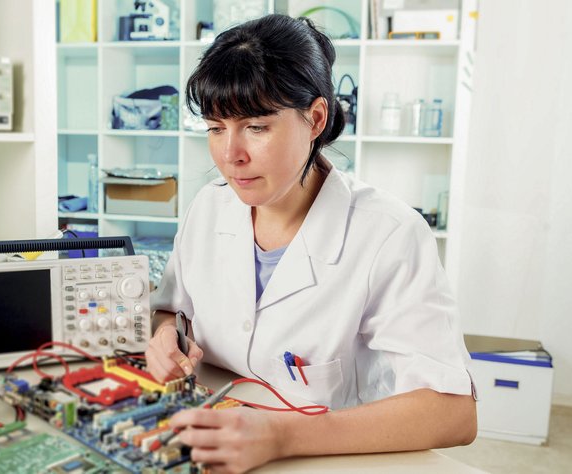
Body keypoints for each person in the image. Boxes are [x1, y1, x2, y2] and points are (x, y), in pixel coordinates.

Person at [147, 14, 476, 473]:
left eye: (256, 127)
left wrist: (280, 436)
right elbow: (171, 309)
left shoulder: (389, 233)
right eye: (216, 128)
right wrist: (164, 336)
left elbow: (453, 412)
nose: (230, 155)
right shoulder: (209, 207)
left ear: (315, 118)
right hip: (217, 442)